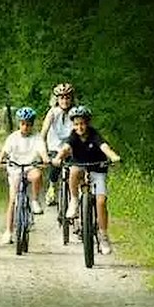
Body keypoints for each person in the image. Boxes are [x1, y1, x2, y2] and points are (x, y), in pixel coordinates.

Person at [52, 106, 122, 254]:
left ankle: (103, 236)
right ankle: (75, 201)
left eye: (82, 123)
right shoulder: (73, 136)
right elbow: (65, 149)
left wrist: (113, 156)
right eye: (76, 124)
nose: (79, 127)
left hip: (97, 169)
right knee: (74, 170)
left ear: (88, 123)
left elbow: (104, 147)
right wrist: (58, 158)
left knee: (101, 202)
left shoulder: (94, 135)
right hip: (80, 167)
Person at [0, 107, 50, 244]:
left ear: (32, 124)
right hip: (15, 169)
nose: (26, 127)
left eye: (29, 124)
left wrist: (46, 158)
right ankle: (8, 231)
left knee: (37, 175)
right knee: (13, 200)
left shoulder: (37, 138)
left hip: (30, 167)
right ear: (19, 124)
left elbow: (42, 151)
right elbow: (5, 152)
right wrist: (0, 158)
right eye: (23, 124)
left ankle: (35, 200)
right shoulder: (13, 137)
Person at [40, 83, 76, 206]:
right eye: (62, 98)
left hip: (71, 148)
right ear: (57, 99)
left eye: (67, 97)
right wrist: (43, 152)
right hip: (55, 147)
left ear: (72, 99)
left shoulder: (75, 112)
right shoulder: (53, 112)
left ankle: (76, 196)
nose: (65, 101)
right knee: (55, 166)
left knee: (76, 170)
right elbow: (43, 132)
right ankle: (52, 187)